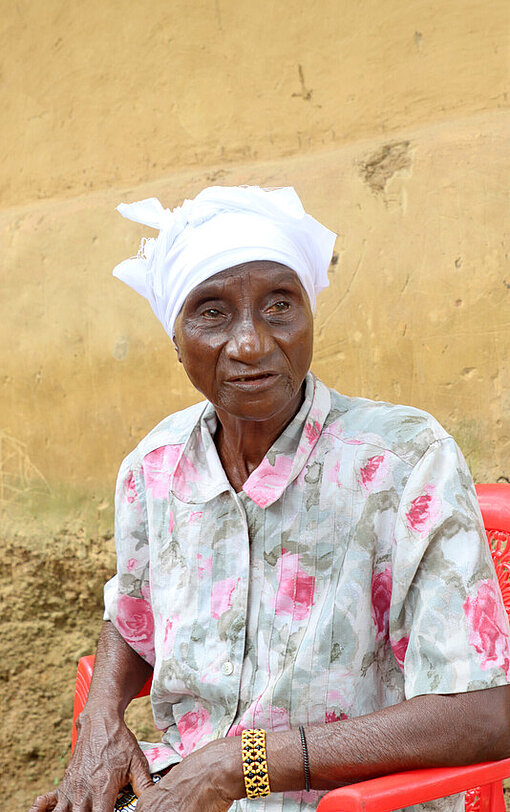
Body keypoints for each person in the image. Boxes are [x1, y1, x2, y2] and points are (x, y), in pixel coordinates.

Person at [31, 186, 510, 812]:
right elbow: (133, 613)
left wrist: (245, 764)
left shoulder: (404, 461)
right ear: (175, 337)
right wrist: (100, 724)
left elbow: (487, 711)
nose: (251, 343)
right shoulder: (155, 465)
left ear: (310, 314)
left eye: (279, 305)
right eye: (211, 312)